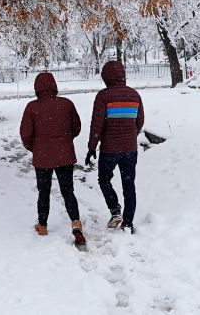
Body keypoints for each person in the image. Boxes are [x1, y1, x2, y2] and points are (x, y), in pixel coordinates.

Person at [20, 72, 86, 246]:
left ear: (37, 88)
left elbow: (26, 134)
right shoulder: (66, 104)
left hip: (42, 158)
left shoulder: (32, 107)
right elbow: (77, 127)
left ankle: (42, 226)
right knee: (68, 191)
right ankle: (76, 223)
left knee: (44, 192)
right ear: (54, 85)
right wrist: (65, 139)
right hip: (64, 155)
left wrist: (34, 148)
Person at [85, 61, 144, 234]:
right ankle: (128, 223)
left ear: (106, 76)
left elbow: (97, 125)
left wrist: (91, 147)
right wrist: (130, 135)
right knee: (129, 185)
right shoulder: (134, 95)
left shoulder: (103, 96)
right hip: (130, 150)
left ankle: (115, 210)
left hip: (109, 149)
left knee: (104, 180)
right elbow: (139, 121)